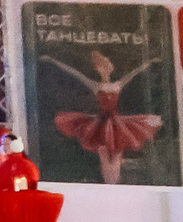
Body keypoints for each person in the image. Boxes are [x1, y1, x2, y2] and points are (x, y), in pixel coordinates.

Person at [40, 50, 163, 186]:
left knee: (117, 155)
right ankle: (108, 185)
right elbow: (74, 73)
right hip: (101, 124)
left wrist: (150, 61)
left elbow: (135, 72)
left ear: (110, 68)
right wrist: (52, 60)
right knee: (104, 155)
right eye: (101, 68)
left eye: (106, 67)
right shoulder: (96, 85)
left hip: (116, 124)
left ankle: (115, 185)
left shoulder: (118, 84)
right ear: (98, 70)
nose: (104, 70)